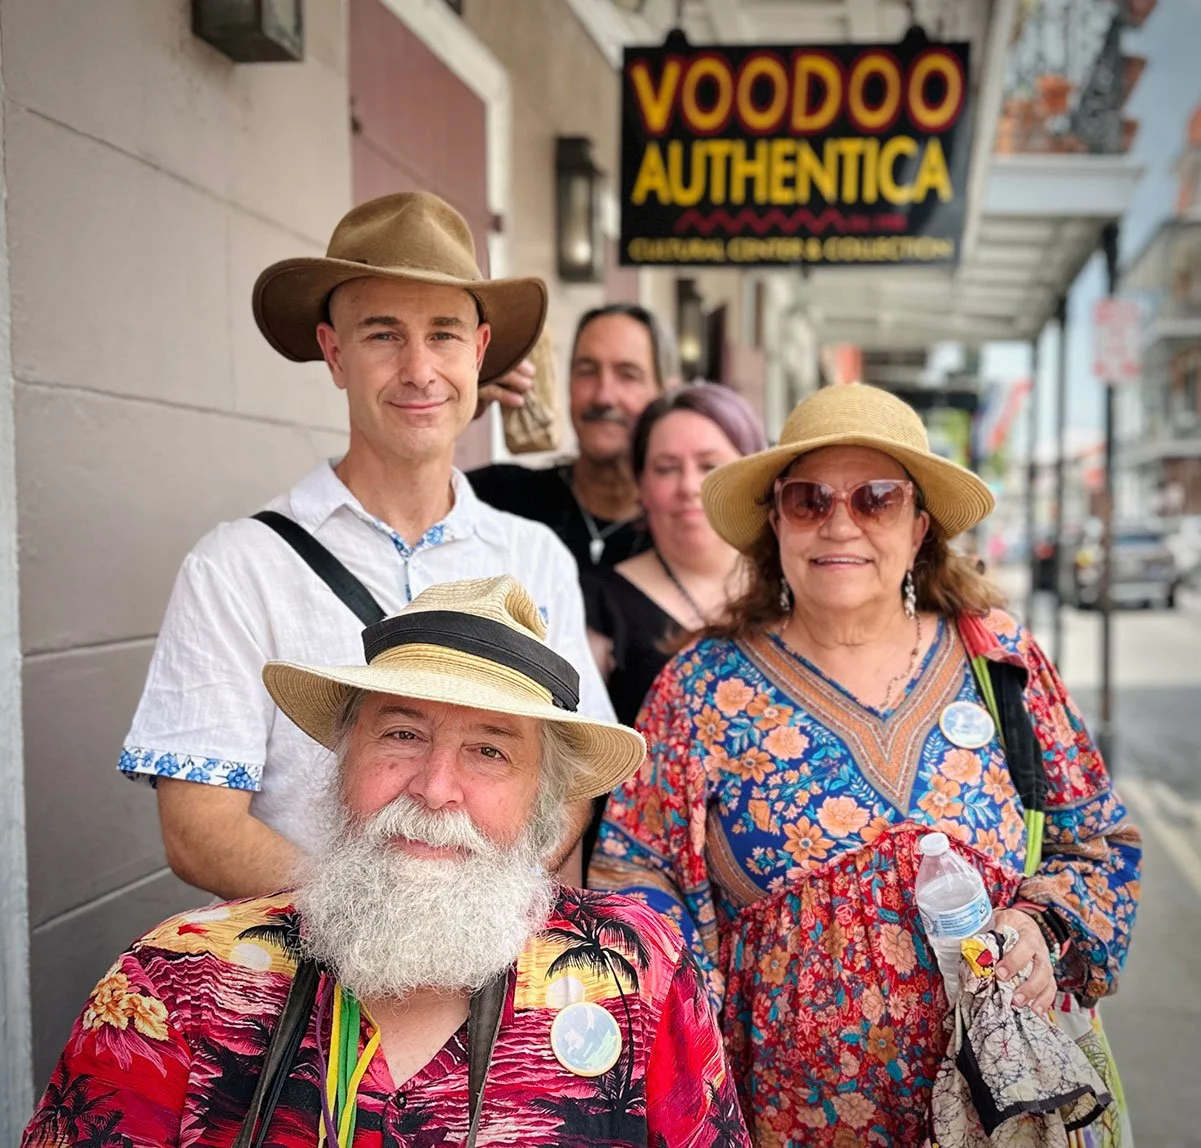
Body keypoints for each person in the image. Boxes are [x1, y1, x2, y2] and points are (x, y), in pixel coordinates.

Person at [590, 384, 1142, 1146]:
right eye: (808, 499)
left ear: (918, 526)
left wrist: (1041, 930)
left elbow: (1100, 847)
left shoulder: (998, 660)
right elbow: (629, 879)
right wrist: (690, 1000)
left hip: (1001, 1122)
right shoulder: (700, 688)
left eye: (875, 499)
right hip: (776, 1124)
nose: (839, 523)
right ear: (775, 522)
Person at [27, 577, 750, 1148]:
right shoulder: (174, 983)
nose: (435, 789)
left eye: (489, 751)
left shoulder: (633, 972)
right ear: (343, 763)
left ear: (542, 801)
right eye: (402, 734)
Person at [119, 191, 611, 900]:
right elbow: (199, 827)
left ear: (478, 352)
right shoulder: (236, 568)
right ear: (334, 352)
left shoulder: (535, 557)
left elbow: (573, 783)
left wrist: (472, 916)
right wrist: (384, 923)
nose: (419, 369)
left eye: (443, 335)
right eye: (383, 335)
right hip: (296, 959)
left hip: (492, 961)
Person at [578, 383, 765, 870]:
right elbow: (575, 760)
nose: (688, 485)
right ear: (640, 484)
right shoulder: (597, 599)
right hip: (643, 867)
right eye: (666, 468)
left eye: (709, 465)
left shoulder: (795, 589)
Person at [469, 303, 679, 569]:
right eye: (587, 371)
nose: (603, 396)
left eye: (628, 375)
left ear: (665, 396)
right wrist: (454, 410)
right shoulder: (500, 499)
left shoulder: (682, 529)